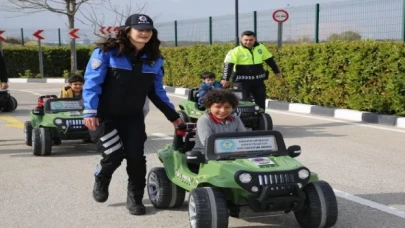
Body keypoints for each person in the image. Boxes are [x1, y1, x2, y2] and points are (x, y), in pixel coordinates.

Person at [82, 13, 183, 216]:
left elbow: (157, 92)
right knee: (114, 154)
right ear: (128, 31)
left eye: (148, 30)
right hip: (104, 116)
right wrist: (90, 111)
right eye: (139, 29)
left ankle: (135, 199)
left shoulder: (154, 59)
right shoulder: (106, 53)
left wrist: (173, 116)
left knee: (136, 157)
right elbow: (92, 84)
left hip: (132, 117)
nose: (144, 33)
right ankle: (101, 177)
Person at [221, 30, 281, 110]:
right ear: (241, 40)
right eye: (246, 40)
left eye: (251, 40)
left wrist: (276, 72)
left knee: (260, 102)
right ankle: (241, 120)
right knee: (241, 102)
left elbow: (270, 60)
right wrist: (225, 79)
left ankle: (261, 119)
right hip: (241, 82)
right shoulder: (235, 51)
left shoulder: (261, 48)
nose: (248, 42)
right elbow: (228, 65)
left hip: (258, 81)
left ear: (254, 39)